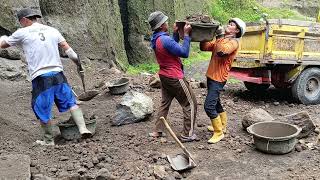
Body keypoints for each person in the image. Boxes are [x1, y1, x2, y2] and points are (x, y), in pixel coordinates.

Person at [0, 8, 92, 145]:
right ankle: (83, 128)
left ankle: (49, 140)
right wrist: (79, 65)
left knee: (41, 107)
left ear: (24, 20)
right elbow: (70, 52)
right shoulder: (52, 30)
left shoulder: (22, 32)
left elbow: (2, 45)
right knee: (71, 102)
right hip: (58, 73)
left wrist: (3, 37)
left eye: (20, 22)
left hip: (41, 77)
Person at [147, 11, 198, 142]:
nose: (167, 23)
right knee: (190, 103)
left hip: (164, 76)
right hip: (174, 77)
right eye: (165, 21)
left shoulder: (157, 38)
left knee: (165, 103)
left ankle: (158, 130)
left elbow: (171, 48)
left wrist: (175, 34)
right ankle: (188, 134)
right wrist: (186, 35)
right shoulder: (165, 39)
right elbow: (184, 52)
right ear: (161, 25)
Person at [200, 18, 246, 144]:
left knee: (209, 106)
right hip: (211, 77)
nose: (228, 25)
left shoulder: (234, 43)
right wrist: (205, 34)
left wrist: (219, 35)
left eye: (231, 25)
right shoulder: (222, 39)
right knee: (216, 103)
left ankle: (219, 132)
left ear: (236, 31)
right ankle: (223, 126)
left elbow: (221, 51)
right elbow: (205, 47)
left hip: (218, 79)